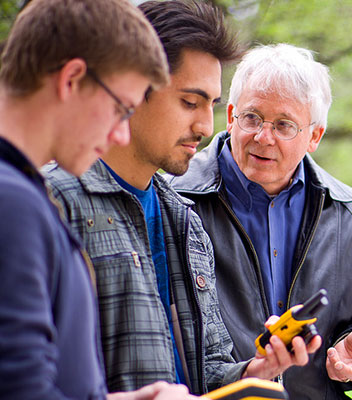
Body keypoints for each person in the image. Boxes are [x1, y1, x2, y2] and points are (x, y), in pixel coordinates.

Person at [42, 1, 317, 396]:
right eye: (190, 102)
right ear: (132, 90)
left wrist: (255, 371)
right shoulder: (53, 202)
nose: (206, 126)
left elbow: (207, 369)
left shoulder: (184, 219)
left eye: (212, 105)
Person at [168, 43, 352, 399]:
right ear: (231, 114)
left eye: (284, 125)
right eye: (251, 118)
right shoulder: (175, 201)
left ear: (314, 136)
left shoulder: (351, 215)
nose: (263, 137)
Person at [0, 0, 199, 398]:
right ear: (72, 78)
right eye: (120, 109)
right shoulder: (13, 203)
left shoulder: (24, 194)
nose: (122, 134)